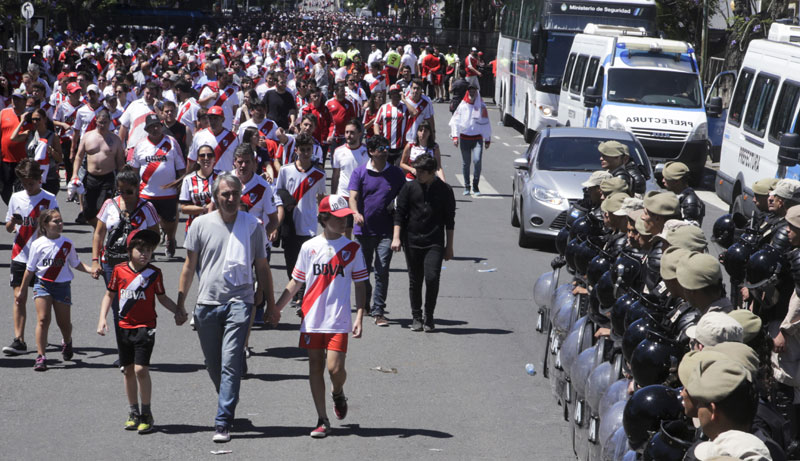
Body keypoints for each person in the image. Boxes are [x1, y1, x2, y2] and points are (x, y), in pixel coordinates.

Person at [178, 172, 278, 443]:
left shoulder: (252, 225)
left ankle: (222, 420)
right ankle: (227, 401)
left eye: (235, 193)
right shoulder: (200, 224)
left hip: (240, 302)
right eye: (225, 194)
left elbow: (262, 266)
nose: (231, 198)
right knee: (213, 364)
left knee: (232, 362)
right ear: (216, 197)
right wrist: (180, 302)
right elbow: (189, 265)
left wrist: (270, 304)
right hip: (207, 304)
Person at [273, 194, 368, 438]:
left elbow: (360, 285)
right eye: (338, 218)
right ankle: (322, 419)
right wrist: (276, 307)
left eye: (346, 218)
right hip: (312, 319)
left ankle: (338, 392)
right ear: (324, 219)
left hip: (338, 319)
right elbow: (296, 282)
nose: (344, 222)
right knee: (315, 365)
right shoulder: (309, 247)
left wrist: (359, 316)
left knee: (335, 369)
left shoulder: (353, 249)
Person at [97, 229, 186, 433]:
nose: (145, 254)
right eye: (140, 250)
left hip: (145, 327)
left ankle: (146, 412)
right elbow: (109, 296)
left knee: (140, 369)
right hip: (123, 327)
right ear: (130, 251)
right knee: (127, 370)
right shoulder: (119, 270)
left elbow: (162, 298)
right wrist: (102, 319)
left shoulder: (154, 273)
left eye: (148, 250)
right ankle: (133, 411)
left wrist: (178, 311)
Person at [16, 209, 91, 370]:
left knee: (64, 323)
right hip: (42, 284)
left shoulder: (67, 243)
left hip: (62, 286)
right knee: (43, 319)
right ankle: (41, 356)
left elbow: (76, 263)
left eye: (60, 221)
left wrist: (91, 270)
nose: (59, 224)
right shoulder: (37, 244)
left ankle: (67, 340)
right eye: (55, 221)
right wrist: (22, 290)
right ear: (45, 224)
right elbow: (30, 269)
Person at [392, 154, 456, 331]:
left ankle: (429, 316)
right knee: (415, 280)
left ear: (432, 172)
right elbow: (400, 214)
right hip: (411, 240)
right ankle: (417, 317)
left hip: (434, 241)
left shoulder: (445, 190)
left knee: (432, 277)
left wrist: (449, 247)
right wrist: (396, 237)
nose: (417, 174)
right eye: (416, 170)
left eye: (421, 172)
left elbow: (450, 220)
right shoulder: (409, 187)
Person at [3, 159, 59, 356]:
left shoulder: (49, 199)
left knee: (45, 302)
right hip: (20, 254)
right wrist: (13, 222)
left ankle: (51, 336)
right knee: (19, 298)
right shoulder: (16, 198)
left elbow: (56, 228)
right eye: (24, 183)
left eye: (31, 183)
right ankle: (19, 340)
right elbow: (9, 228)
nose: (27, 187)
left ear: (39, 179)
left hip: (42, 258)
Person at [349, 135, 406, 326]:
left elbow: (403, 200)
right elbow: (353, 197)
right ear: (371, 152)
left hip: (386, 231)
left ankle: (378, 310)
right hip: (363, 231)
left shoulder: (396, 174)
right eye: (380, 148)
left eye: (386, 147)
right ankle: (365, 302)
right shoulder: (360, 173)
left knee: (382, 270)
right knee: (362, 271)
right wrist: (355, 213)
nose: (384, 150)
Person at [274, 133, 326, 313]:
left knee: (307, 263)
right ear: (296, 150)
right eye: (302, 149)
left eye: (308, 150)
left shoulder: (319, 174)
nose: (305, 153)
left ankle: (303, 295)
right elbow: (278, 192)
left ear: (312, 150)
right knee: (291, 262)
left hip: (309, 225)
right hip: (289, 224)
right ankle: (296, 292)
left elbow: (321, 198)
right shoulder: (285, 170)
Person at [129, 114, 186, 258]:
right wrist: (133, 190)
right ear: (147, 129)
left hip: (169, 193)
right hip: (146, 193)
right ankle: (150, 248)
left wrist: (182, 185)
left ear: (161, 126)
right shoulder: (140, 145)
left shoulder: (171, 143)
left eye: (157, 125)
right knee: (148, 223)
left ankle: (170, 238)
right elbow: (135, 170)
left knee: (169, 222)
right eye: (151, 127)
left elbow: (181, 168)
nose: (155, 129)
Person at [70, 109, 125, 229]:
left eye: (105, 122)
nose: (102, 125)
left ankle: (100, 233)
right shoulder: (87, 136)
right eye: (100, 122)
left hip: (108, 178)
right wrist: (75, 174)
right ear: (96, 121)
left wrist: (121, 180)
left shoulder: (115, 139)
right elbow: (79, 156)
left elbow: (120, 161)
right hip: (90, 178)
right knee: (88, 212)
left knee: (102, 208)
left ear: (110, 122)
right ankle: (99, 229)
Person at [449, 83, 491, 196]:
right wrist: (455, 137)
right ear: (467, 92)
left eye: (474, 91)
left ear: (477, 92)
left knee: (477, 161)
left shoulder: (481, 106)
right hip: (465, 139)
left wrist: (487, 139)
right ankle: (467, 186)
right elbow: (455, 122)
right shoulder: (463, 106)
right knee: (466, 163)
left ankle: (475, 186)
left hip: (477, 139)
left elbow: (486, 123)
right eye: (470, 91)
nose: (472, 93)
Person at [11, 107, 63, 195]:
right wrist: (22, 121)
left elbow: (60, 159)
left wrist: (51, 151)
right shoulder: (29, 134)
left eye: (38, 119)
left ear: (45, 119)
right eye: (33, 120)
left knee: (45, 206)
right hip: (31, 176)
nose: (35, 122)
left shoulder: (52, 136)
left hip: (48, 177)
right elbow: (13, 138)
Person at [331, 119, 368, 238]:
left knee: (361, 230)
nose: (348, 135)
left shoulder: (367, 151)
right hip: (344, 196)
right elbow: (335, 175)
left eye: (352, 132)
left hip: (361, 196)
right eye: (346, 132)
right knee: (344, 231)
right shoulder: (338, 151)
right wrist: (333, 195)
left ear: (359, 133)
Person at [186, 105, 239, 173]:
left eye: (216, 118)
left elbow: (238, 161)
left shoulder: (233, 138)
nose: (213, 121)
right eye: (210, 118)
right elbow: (191, 160)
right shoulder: (199, 136)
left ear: (223, 119)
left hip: (225, 179)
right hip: (206, 180)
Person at [179, 144, 217, 234]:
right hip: (194, 228)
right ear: (198, 160)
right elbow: (184, 208)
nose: (206, 158)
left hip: (216, 229)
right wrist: (204, 209)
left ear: (214, 159)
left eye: (210, 155)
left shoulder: (221, 178)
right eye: (202, 155)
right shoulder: (188, 180)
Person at [1, 89, 29, 204]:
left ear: (25, 101)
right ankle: (12, 209)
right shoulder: (3, 113)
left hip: (22, 160)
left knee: (20, 190)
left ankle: (19, 213)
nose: (15, 101)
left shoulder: (29, 117)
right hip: (5, 159)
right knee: (4, 189)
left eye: (18, 99)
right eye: (14, 98)